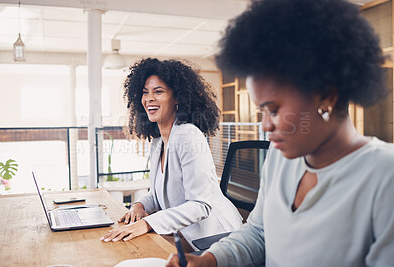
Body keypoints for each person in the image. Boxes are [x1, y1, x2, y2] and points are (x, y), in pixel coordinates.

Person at [167, 0, 394, 266]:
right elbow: (258, 233)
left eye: (273, 110)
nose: (265, 125)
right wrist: (211, 259)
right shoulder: (280, 156)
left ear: (326, 94)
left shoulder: (384, 177)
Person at [100, 58, 242, 251]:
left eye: (158, 91)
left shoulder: (189, 136)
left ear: (177, 98)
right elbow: (159, 193)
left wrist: (147, 223)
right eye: (145, 92)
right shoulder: (159, 141)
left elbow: (200, 205)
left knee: (138, 251)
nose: (149, 98)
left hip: (215, 237)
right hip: (184, 233)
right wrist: (140, 205)